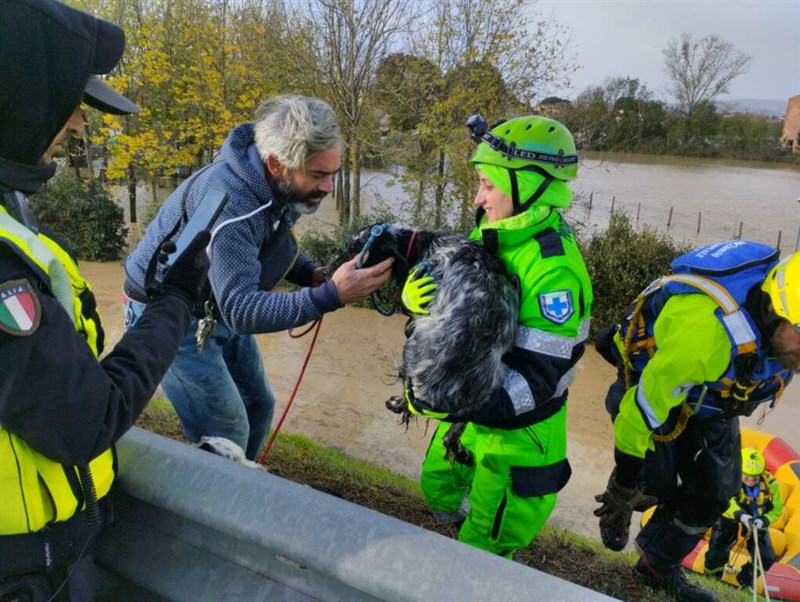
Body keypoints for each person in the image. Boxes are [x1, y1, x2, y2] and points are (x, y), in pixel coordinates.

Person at [0, 1, 211, 599]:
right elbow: (88, 417)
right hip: (25, 572)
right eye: (69, 104)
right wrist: (177, 299)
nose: (78, 126)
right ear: (18, 98)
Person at [123, 95, 395, 461]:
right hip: (168, 315)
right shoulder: (232, 204)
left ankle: (240, 483)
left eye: (333, 173)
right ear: (276, 164)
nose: (329, 187)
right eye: (318, 175)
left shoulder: (274, 184)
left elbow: (271, 241)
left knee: (258, 404)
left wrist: (312, 274)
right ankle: (219, 493)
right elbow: (242, 311)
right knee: (226, 431)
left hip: (213, 303)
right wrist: (331, 295)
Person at [400, 114, 593, 559]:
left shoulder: (553, 271)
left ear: (528, 184)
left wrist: (455, 401)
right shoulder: (498, 233)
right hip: (479, 407)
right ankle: (451, 538)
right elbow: (462, 319)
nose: (477, 197)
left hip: (521, 429)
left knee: (486, 542)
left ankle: (472, 569)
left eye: (488, 185)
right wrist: (420, 304)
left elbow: (538, 377)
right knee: (438, 488)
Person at [593, 242, 799, 602]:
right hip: (655, 387)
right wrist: (623, 486)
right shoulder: (706, 335)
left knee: (715, 494)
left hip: (713, 402)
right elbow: (638, 413)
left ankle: (656, 569)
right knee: (656, 484)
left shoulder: (784, 333)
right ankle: (631, 489)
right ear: (772, 309)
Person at [704, 446, 783, 589]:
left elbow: (777, 508)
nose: (751, 480)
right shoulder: (728, 477)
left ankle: (745, 579)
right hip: (731, 514)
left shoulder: (771, 484)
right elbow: (725, 501)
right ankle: (711, 577)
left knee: (766, 557)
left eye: (755, 477)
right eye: (746, 475)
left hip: (756, 518)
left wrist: (764, 521)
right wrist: (741, 516)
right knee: (718, 550)